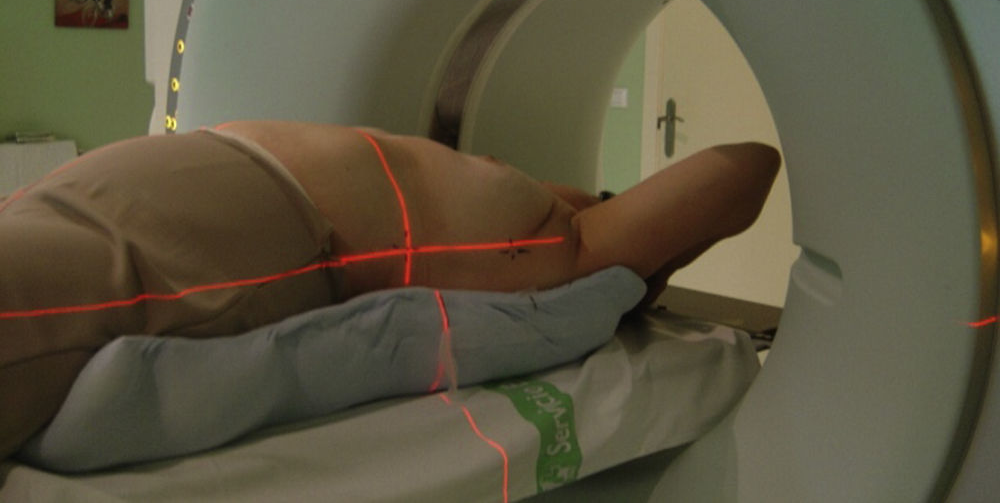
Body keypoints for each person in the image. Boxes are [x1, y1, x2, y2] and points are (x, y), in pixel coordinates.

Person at [0, 120, 779, 462]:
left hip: (360, 210)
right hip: (211, 160)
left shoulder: (527, 246)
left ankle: (633, 253)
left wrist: (635, 274)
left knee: (615, 234)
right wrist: (639, 275)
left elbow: (753, 164)